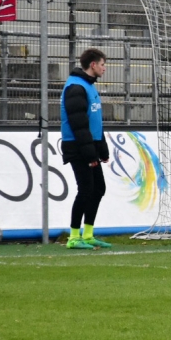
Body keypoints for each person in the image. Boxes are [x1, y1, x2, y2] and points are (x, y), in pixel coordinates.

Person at [60, 48, 112, 250]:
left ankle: (88, 234)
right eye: (102, 64)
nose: (104, 68)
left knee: (98, 189)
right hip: (78, 147)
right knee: (86, 189)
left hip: (89, 146)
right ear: (93, 65)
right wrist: (90, 153)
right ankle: (74, 236)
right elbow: (79, 124)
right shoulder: (76, 87)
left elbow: (94, 122)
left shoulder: (88, 86)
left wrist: (102, 149)